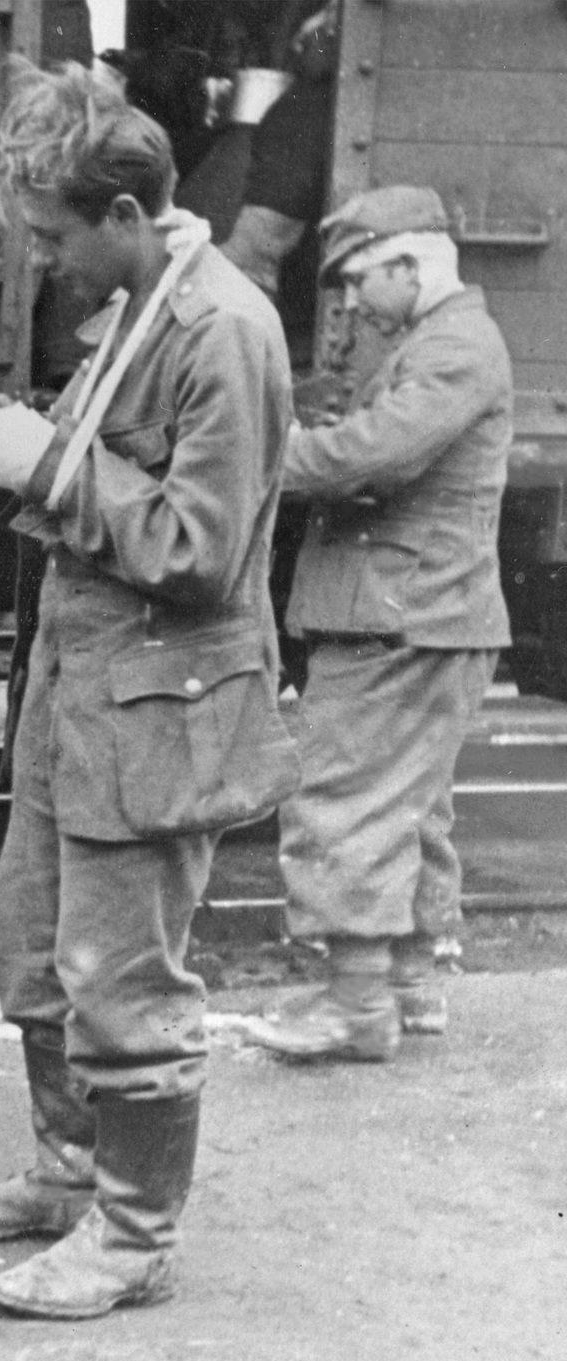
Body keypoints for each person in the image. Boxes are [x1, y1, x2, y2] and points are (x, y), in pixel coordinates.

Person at [0, 60, 297, 1318]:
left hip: (159, 708)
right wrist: (19, 437)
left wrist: (43, 465)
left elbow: (198, 552)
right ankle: (70, 1173)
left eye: (51, 235)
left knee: (123, 983)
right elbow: (90, 479)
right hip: (78, 698)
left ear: (124, 216)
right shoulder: (135, 308)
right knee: (29, 950)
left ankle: (132, 1240)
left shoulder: (219, 331)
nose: (42, 261)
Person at [244, 185, 511, 1062]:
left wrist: (244, 449)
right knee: (407, 807)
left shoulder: (456, 350)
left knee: (344, 798)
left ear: (411, 261)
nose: (353, 300)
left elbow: (370, 457)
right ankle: (405, 987)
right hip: (418, 611)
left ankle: (355, 1006)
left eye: (362, 279)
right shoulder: (436, 343)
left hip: (398, 615)